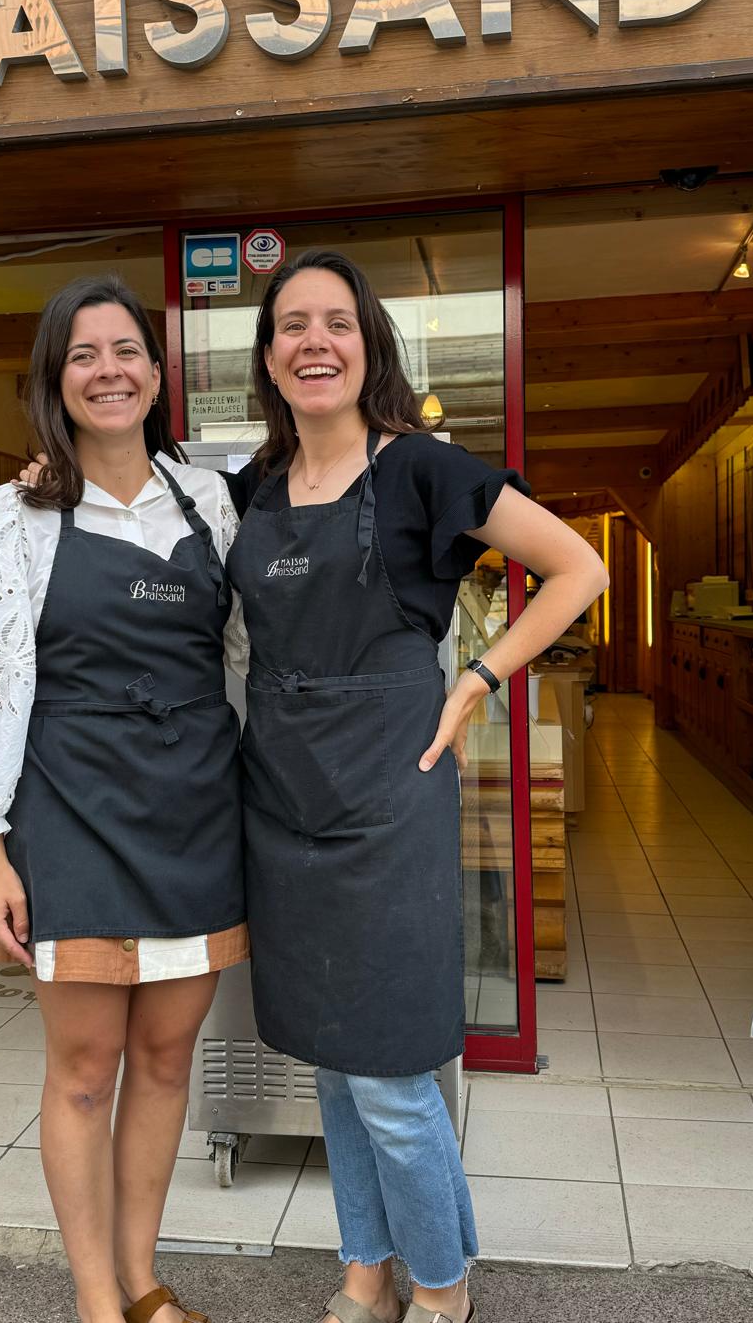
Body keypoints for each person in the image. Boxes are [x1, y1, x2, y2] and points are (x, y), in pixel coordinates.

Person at [227, 250, 609, 1323]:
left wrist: (483, 677)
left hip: (391, 797)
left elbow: (581, 568)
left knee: (391, 1069)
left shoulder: (422, 470)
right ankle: (365, 1270)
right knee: (334, 1065)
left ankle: (441, 1288)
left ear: (368, 344)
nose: (315, 342)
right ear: (268, 356)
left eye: (336, 323)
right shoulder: (252, 489)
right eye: (292, 325)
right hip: (282, 801)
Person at [0, 275, 247, 1323]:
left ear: (158, 375)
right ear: (56, 383)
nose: (108, 371)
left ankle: (145, 1280)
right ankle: (96, 1300)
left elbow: (246, 654)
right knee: (84, 1066)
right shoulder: (12, 515)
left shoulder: (210, 501)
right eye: (83, 355)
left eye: (125, 352)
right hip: (70, 812)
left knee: (165, 1059)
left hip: (200, 813)